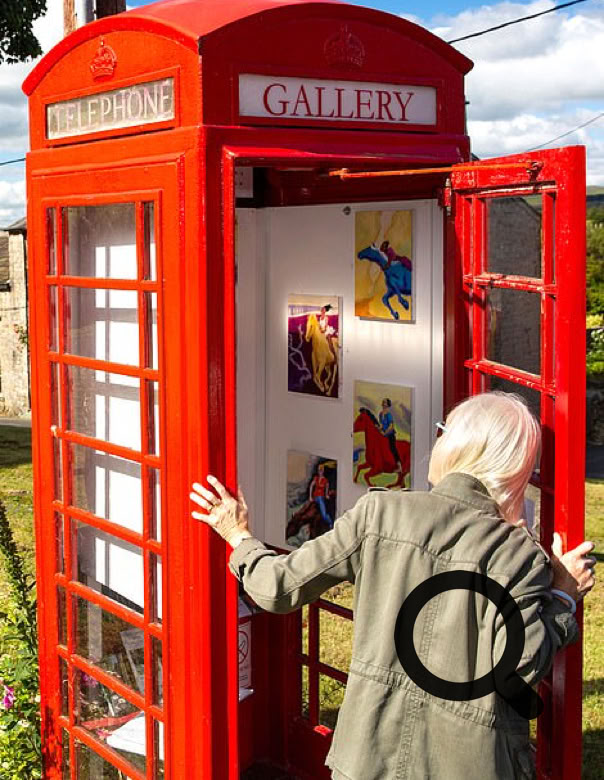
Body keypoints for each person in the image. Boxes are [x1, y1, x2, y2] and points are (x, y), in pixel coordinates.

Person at [190, 392, 596, 780]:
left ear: (457, 447)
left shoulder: (379, 513)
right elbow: (520, 668)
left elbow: (275, 587)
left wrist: (237, 534)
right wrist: (561, 596)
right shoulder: (518, 554)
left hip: (367, 758)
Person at [378, 397, 404, 480]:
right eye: (383, 402)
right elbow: (381, 424)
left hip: (390, 434)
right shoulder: (380, 414)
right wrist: (379, 429)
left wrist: (385, 433)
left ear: (388, 405)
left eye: (385, 402)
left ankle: (399, 466)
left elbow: (391, 426)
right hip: (383, 433)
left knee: (392, 448)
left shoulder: (389, 415)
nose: (383, 403)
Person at [309, 462, 334, 530]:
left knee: (323, 514)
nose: (320, 472)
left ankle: (330, 522)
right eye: (319, 470)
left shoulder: (325, 480)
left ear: (323, 471)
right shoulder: (316, 478)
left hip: (320, 498)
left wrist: (326, 495)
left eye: (321, 470)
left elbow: (326, 490)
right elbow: (311, 486)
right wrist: (310, 497)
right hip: (315, 497)